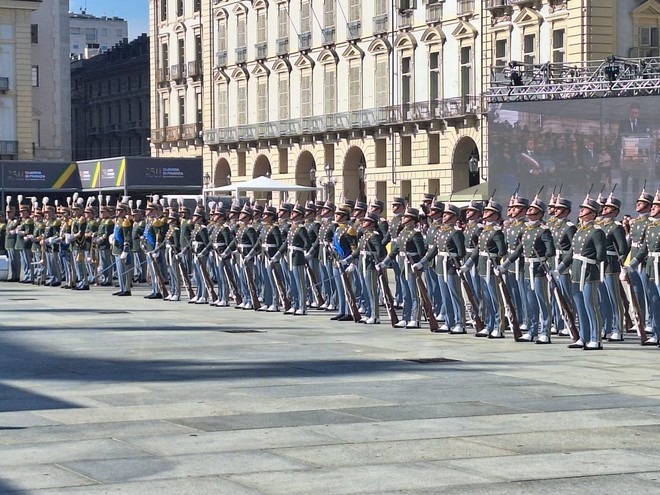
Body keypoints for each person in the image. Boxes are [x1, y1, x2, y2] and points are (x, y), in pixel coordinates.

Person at [555, 195, 607, 350]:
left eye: (584, 209)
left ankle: (596, 339)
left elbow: (601, 255)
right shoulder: (580, 230)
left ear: (592, 213)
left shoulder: (596, 231)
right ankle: (583, 337)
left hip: (589, 273)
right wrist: (560, 269)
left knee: (591, 306)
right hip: (577, 273)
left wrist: (589, 261)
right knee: (579, 307)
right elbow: (571, 253)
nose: (581, 211)